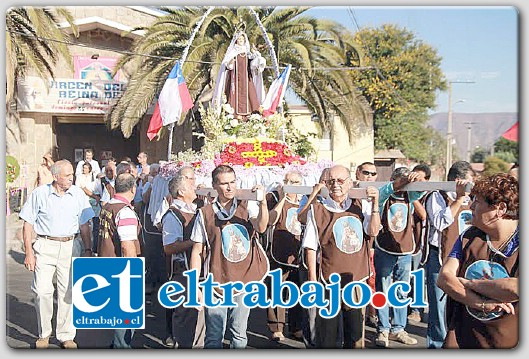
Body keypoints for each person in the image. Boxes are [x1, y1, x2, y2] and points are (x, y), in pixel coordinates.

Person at [189, 165, 269, 349]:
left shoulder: (247, 205)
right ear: (215, 185)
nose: (230, 187)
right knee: (214, 335)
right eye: (224, 183)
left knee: (239, 334)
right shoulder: (205, 213)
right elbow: (197, 251)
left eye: (232, 182)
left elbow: (261, 227)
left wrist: (263, 203)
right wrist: (195, 285)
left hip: (244, 279)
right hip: (216, 280)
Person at [302, 164, 381, 348]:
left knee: (355, 336)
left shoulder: (362, 205)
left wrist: (376, 204)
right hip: (328, 280)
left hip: (356, 279)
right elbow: (310, 247)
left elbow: (374, 231)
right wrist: (313, 281)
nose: (335, 185)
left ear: (350, 183)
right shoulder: (317, 210)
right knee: (327, 336)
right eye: (330, 181)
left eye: (340, 180)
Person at [437, 173, 518, 348]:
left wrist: (470, 284)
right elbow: (444, 278)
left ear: (500, 208)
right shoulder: (469, 236)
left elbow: (516, 287)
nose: (471, 206)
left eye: (477, 202)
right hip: (463, 339)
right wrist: (482, 303)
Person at [20, 160, 94, 349]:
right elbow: (27, 224)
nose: (72, 178)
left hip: (70, 245)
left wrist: (87, 250)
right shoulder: (40, 194)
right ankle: (44, 334)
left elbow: (85, 225)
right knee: (42, 291)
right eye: (67, 175)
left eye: (72, 175)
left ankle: (66, 335)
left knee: (67, 293)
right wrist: (29, 252)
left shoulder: (78, 194)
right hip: (45, 245)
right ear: (55, 176)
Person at [418, 161, 475, 348]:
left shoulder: (472, 199)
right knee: (439, 306)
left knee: (461, 303)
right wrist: (458, 199)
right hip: (439, 256)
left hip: (464, 257)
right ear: (457, 181)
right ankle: (436, 345)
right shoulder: (437, 196)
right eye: (468, 182)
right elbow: (441, 223)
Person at [374, 166, 424, 348]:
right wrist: (400, 182)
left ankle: (398, 328)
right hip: (385, 247)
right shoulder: (384, 195)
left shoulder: (409, 197)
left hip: (404, 249)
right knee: (383, 289)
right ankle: (383, 329)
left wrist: (418, 179)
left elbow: (421, 190)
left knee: (402, 290)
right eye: (402, 181)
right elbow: (382, 194)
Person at [97, 172, 141, 349]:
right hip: (121, 268)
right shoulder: (125, 211)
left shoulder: (107, 206)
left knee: (116, 315)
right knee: (124, 317)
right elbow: (127, 245)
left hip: (106, 263)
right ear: (133, 188)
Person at [162, 174, 206, 349]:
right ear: (181, 191)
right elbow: (169, 247)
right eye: (191, 183)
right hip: (183, 272)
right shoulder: (173, 215)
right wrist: (196, 241)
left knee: (199, 316)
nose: (195, 185)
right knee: (186, 317)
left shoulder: (196, 209)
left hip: (197, 269)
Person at [265, 170, 304, 342]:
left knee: (296, 291)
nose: (289, 184)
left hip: (297, 253)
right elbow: (271, 220)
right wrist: (282, 198)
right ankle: (277, 327)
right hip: (278, 253)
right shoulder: (273, 198)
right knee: (276, 291)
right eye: (287, 180)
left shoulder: (304, 200)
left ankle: (296, 327)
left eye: (294, 181)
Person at [212, 30, 266, 120]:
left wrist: (257, 56)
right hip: (234, 80)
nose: (240, 40)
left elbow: (254, 64)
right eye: (239, 38)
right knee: (232, 98)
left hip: (247, 81)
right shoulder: (232, 52)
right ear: (236, 40)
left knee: (250, 97)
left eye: (242, 38)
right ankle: (233, 117)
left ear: (245, 40)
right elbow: (228, 65)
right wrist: (231, 61)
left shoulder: (248, 53)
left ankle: (252, 116)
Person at [354, 162, 379, 327]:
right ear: (357, 173)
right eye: (366, 172)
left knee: (371, 282)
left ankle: (371, 314)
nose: (369, 176)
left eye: (373, 173)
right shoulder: (349, 192)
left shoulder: (377, 194)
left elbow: (374, 229)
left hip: (369, 245)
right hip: (348, 248)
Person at [406, 164, 430, 324]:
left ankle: (417, 310)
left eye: (420, 179)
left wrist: (411, 196)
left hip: (418, 244)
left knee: (417, 278)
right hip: (404, 242)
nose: (416, 182)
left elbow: (423, 215)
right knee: (405, 278)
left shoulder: (426, 196)